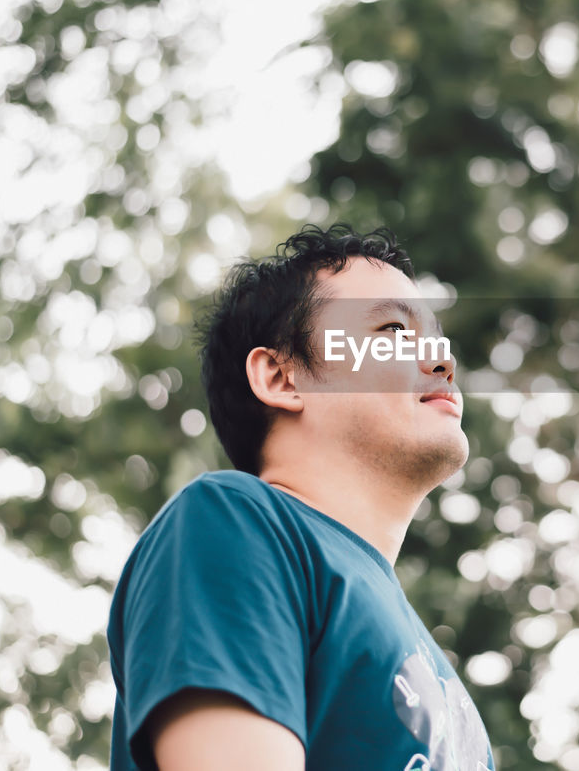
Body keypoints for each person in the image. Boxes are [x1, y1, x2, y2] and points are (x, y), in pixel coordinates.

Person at [106, 224, 494, 771]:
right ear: (282, 376)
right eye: (391, 330)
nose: (440, 359)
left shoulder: (437, 670)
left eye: (436, 338)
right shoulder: (232, 523)